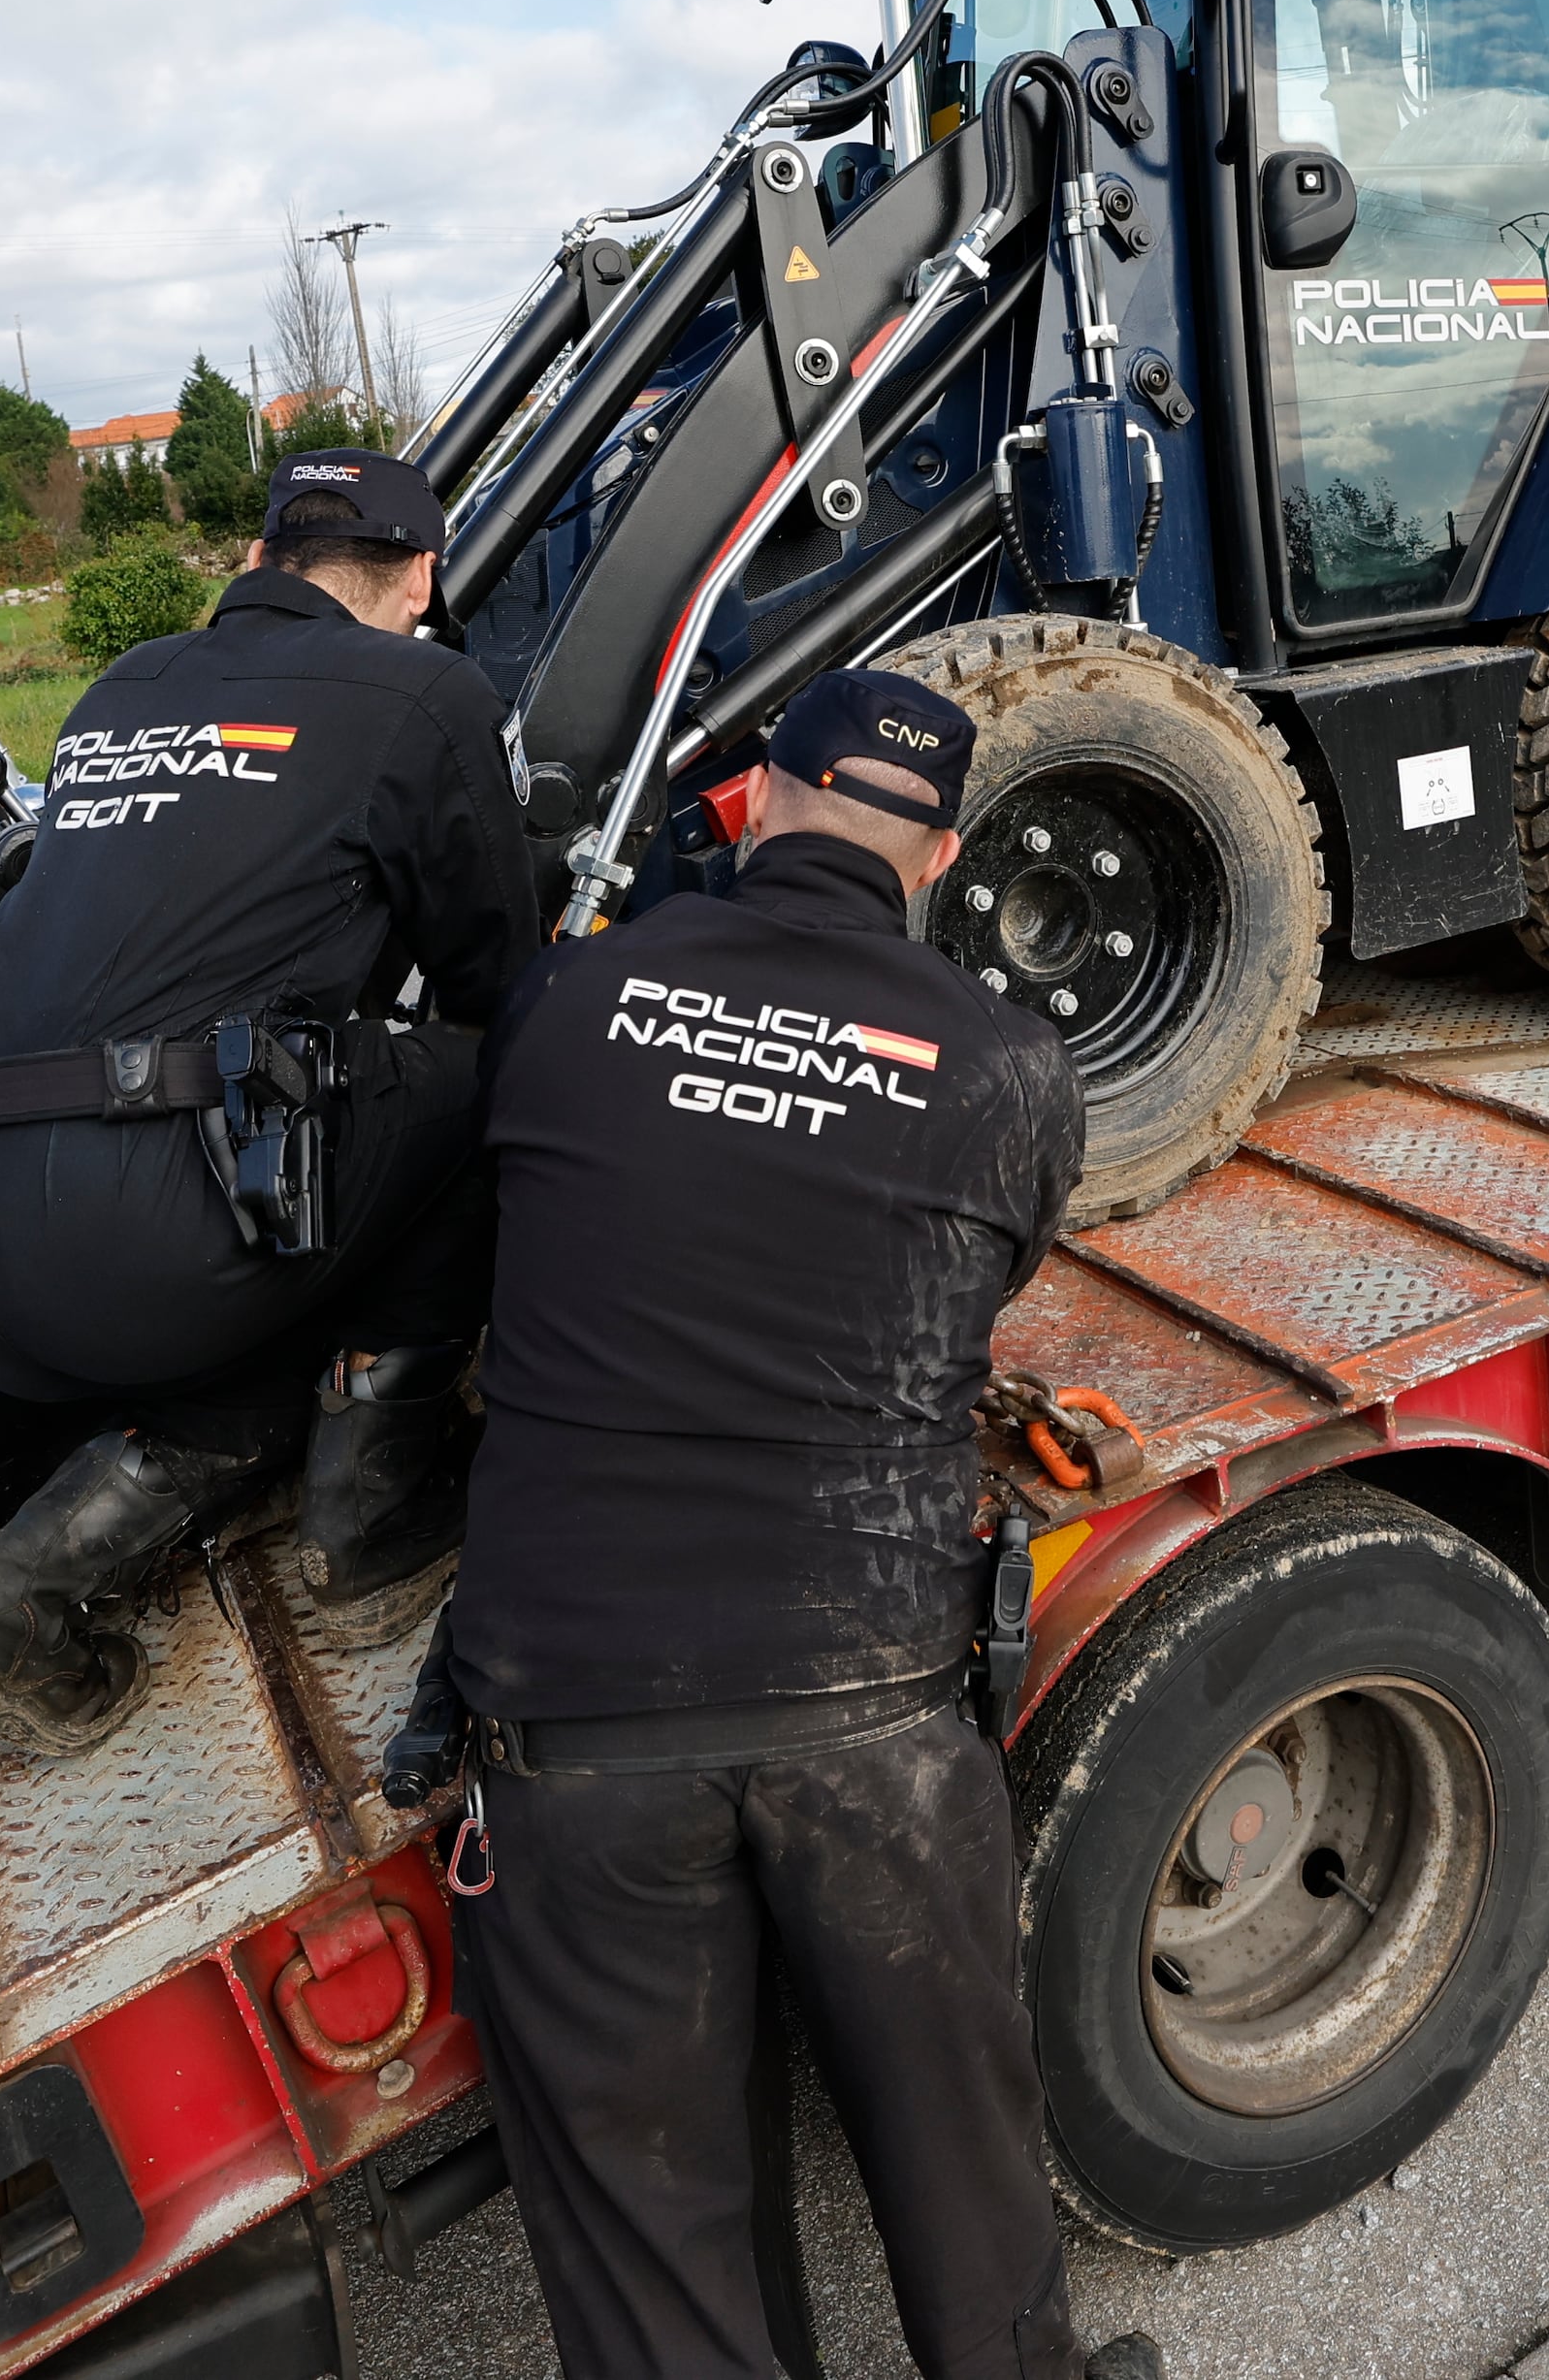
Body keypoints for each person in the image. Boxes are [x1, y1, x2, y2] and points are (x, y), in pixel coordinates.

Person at [446, 665, 1150, 2380]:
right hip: (876, 1718)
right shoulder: (1007, 1067)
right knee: (964, 2162)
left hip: (580, 1734)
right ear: (946, 854)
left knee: (657, 2241)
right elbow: (966, 1274)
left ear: (757, 799)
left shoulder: (567, 995)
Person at [0, 447, 539, 1759]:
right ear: (419, 576)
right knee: (494, 1075)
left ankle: (7, 1598)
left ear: (253, 562)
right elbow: (495, 980)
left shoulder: (127, 685)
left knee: (263, 1210)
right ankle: (369, 1514)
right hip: (148, 1243)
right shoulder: (423, 688)